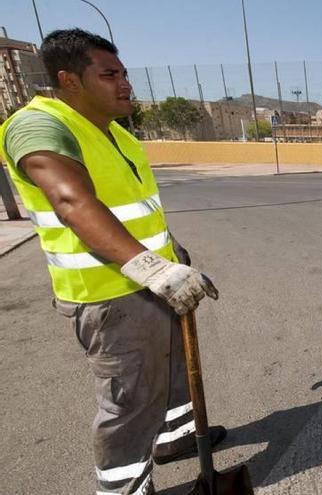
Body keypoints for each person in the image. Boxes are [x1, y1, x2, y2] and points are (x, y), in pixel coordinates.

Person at [0, 29, 224, 495]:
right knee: (129, 402)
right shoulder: (39, 126)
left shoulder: (115, 132)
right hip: (111, 296)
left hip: (153, 284)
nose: (125, 85)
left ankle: (174, 438)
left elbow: (135, 208)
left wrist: (173, 254)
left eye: (124, 74)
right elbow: (73, 203)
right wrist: (155, 270)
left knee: (173, 374)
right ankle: (123, 489)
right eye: (109, 75)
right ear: (70, 80)